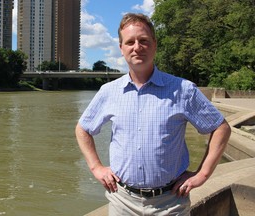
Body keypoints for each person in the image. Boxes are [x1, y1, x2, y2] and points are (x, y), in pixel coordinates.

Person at [75, 13, 231, 215]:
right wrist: (96, 167)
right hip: (122, 202)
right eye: (130, 42)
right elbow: (83, 129)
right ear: (121, 49)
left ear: (155, 45)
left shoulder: (183, 89)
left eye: (144, 41)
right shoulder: (108, 91)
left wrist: (203, 173)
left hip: (171, 203)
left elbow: (220, 127)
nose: (137, 47)